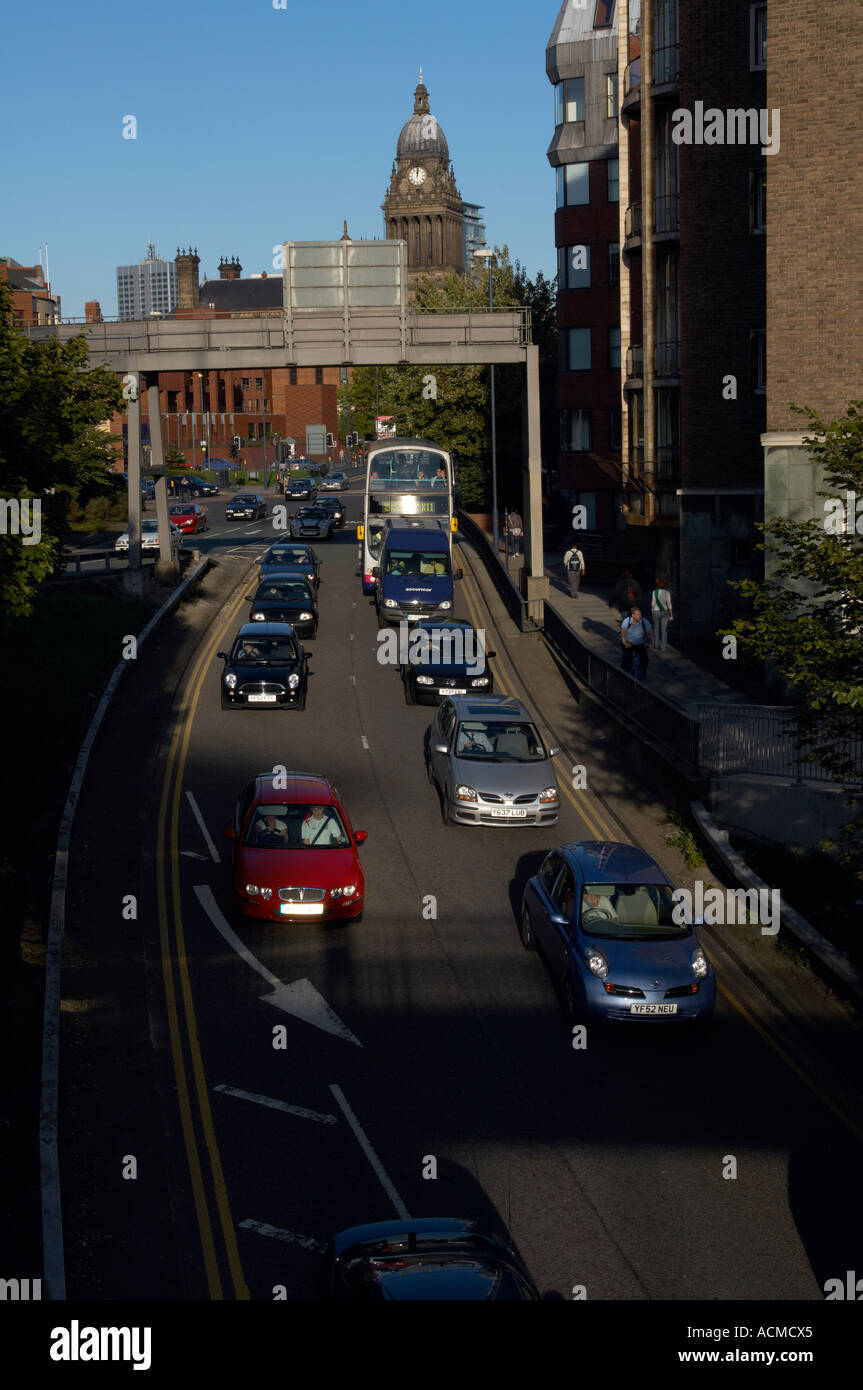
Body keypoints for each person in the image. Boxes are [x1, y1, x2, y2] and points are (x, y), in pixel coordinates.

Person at [620, 605, 653, 678]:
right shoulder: (627, 621)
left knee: (645, 659)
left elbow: (650, 632)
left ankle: (643, 672)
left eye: (640, 614)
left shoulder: (644, 621)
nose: (639, 616)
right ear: (633, 615)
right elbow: (623, 634)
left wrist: (651, 643)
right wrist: (625, 643)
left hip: (640, 644)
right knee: (626, 658)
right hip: (629, 644)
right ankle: (624, 674)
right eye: (637, 614)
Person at [651, 577, 674, 652]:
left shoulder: (654, 592)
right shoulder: (667, 593)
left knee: (656, 628)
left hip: (656, 611)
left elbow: (653, 603)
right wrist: (671, 615)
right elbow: (669, 604)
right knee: (664, 629)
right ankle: (663, 647)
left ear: (657, 585)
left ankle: (656, 644)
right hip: (665, 612)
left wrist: (652, 609)